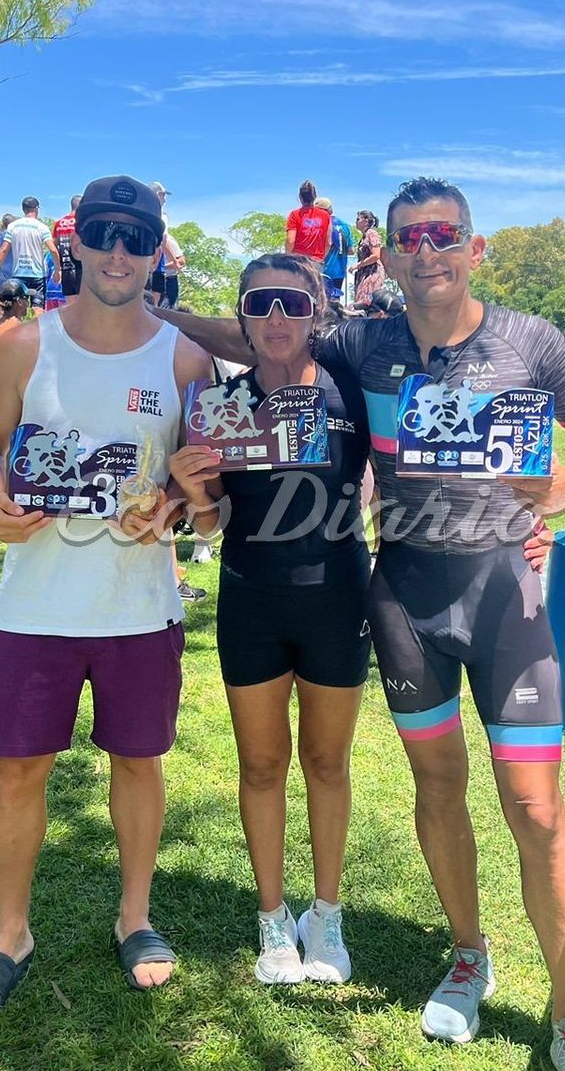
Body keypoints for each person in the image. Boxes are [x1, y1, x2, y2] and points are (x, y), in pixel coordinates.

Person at [159, 176, 565, 1070]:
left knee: (536, 808)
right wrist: (146, 307)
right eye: (408, 237)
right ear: (388, 252)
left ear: (474, 248)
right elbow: (262, 329)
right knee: (438, 789)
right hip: (404, 597)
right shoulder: (362, 343)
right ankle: (468, 954)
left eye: (444, 235)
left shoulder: (531, 339)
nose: (426, 250)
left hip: (504, 598)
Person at [0, 175, 212, 1018]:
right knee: (18, 767)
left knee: (139, 761)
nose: (117, 251)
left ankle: (134, 916)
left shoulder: (183, 357)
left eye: (135, 238)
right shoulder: (25, 343)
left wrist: (177, 502)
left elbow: (206, 483)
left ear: (154, 252)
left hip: (140, 605)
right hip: (35, 606)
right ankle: (11, 931)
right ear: (74, 242)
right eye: (102, 233)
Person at [169, 253, 369, 985]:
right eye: (261, 304)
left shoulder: (352, 386)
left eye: (291, 302)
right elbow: (212, 521)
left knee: (326, 762)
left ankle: (327, 914)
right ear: (243, 319)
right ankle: (271, 917)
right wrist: (196, 493)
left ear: (317, 310)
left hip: (339, 596)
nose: (277, 318)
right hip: (251, 597)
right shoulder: (221, 404)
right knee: (261, 763)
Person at [0, 197, 54, 309]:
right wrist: (58, 269)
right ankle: (37, 326)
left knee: (16, 307)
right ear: (36, 209)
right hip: (37, 275)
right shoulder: (42, 227)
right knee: (38, 308)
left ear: (23, 209)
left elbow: (3, 249)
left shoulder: (13, 226)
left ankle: (17, 326)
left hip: (19, 274)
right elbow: (53, 249)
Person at [285, 180, 331, 264]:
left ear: (300, 197)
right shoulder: (325, 215)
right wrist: (320, 259)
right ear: (315, 196)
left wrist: (287, 257)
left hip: (298, 262)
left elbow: (290, 240)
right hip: (316, 262)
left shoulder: (294, 215)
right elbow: (328, 242)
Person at [317, 198, 352, 301]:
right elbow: (351, 250)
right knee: (335, 302)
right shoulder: (344, 225)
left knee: (321, 302)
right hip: (340, 271)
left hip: (324, 270)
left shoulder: (322, 224)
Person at [51, 196, 82, 299]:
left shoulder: (59, 223)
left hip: (66, 268)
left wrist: (57, 268)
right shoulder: (81, 222)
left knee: (70, 302)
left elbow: (53, 246)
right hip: (82, 268)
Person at [352, 210, 384, 307]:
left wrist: (357, 265)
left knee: (366, 303)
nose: (355, 222)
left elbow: (376, 255)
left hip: (372, 273)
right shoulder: (365, 235)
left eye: (358, 219)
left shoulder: (371, 233)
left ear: (366, 221)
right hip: (365, 273)